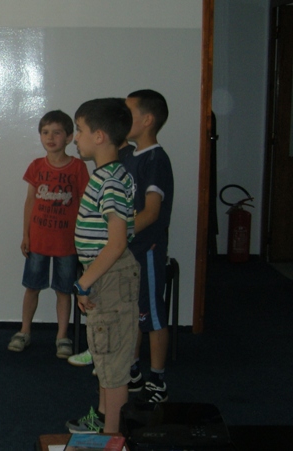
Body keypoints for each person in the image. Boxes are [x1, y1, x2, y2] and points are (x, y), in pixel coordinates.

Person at [65, 98, 139, 434]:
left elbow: (117, 242)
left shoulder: (110, 181)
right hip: (103, 274)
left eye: (79, 131)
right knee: (105, 356)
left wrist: (84, 282)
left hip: (110, 275)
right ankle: (102, 420)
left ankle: (112, 437)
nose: (75, 138)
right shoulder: (107, 175)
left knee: (114, 368)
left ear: (99, 136)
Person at [7, 110, 89, 358]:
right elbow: (30, 201)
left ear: (69, 137)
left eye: (57, 133)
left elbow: (84, 204)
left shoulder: (78, 167)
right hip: (39, 241)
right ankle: (24, 331)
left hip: (66, 243)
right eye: (45, 132)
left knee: (63, 290)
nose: (50, 138)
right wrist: (26, 235)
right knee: (32, 287)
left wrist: (83, 239)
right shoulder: (36, 166)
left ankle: (62, 336)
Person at [121, 89, 174, 403]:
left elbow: (151, 212)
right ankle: (134, 371)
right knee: (132, 312)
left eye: (128, 113)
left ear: (148, 120)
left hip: (148, 251)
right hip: (129, 250)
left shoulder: (156, 160)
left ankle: (157, 379)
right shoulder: (129, 155)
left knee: (152, 316)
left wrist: (119, 234)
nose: (122, 119)